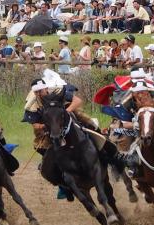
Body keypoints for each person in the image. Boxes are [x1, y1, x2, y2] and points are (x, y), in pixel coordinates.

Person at [22, 70, 132, 200]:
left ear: (46, 88)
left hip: (67, 116)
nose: (40, 93)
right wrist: (48, 125)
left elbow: (77, 101)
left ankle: (111, 154)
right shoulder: (33, 102)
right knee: (42, 150)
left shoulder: (57, 91)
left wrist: (65, 112)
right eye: (37, 92)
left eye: (42, 90)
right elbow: (34, 124)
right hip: (48, 128)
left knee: (90, 125)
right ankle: (63, 185)